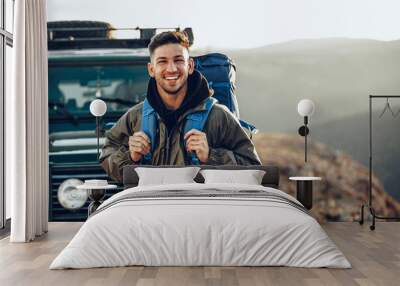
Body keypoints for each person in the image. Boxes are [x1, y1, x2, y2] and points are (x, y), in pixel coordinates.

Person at [100, 31, 261, 182]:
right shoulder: (135, 117)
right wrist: (130, 156)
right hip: (148, 211)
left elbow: (254, 169)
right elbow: (107, 156)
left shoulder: (218, 116)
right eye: (162, 61)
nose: (171, 69)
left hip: (202, 210)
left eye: (178, 60)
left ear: (190, 66)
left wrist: (211, 156)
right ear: (151, 69)